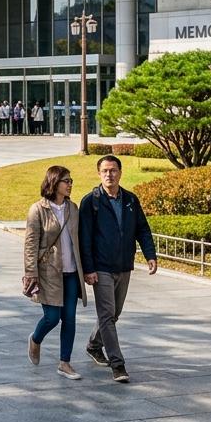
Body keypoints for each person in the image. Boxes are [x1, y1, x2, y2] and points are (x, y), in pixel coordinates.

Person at [78, 155, 157, 383]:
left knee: (113, 314)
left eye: (113, 170)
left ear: (120, 173)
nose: (109, 175)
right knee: (106, 315)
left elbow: (142, 228)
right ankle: (118, 364)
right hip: (100, 267)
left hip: (124, 266)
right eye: (104, 171)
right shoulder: (90, 202)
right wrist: (88, 269)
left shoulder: (130, 199)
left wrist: (150, 255)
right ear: (98, 174)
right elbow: (85, 238)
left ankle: (94, 345)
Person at [24, 165, 87, 381]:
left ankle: (65, 363)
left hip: (71, 272)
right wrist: (31, 274)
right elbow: (30, 245)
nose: (70, 184)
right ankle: (35, 338)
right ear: (54, 182)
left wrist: (87, 270)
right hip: (49, 273)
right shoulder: (38, 209)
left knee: (70, 319)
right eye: (66, 181)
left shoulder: (73, 208)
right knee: (52, 318)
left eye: (71, 181)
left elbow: (79, 240)